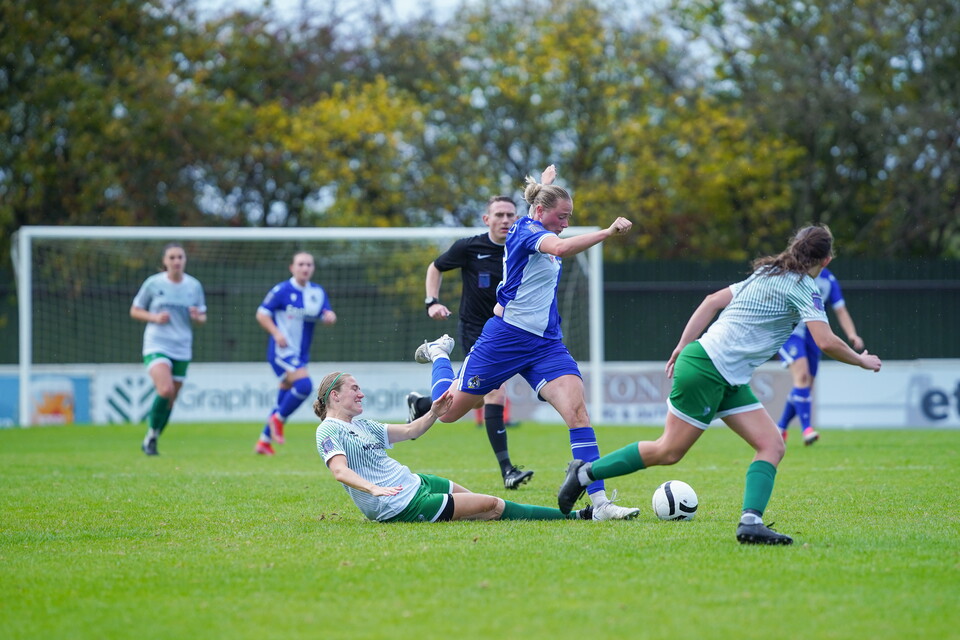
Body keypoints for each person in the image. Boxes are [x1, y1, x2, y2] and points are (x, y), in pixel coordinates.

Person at [557, 224, 882, 544]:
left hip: (724, 373)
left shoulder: (768, 272)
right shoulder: (803, 288)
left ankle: (751, 523)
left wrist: (684, 343)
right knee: (668, 450)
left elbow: (712, 300)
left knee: (771, 445)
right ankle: (584, 473)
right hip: (710, 369)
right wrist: (861, 359)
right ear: (826, 261)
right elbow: (825, 342)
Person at [413, 166, 641, 521]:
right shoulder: (527, 231)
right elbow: (562, 247)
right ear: (540, 213)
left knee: (577, 412)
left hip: (546, 343)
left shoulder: (539, 216)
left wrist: (545, 184)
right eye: (561, 217)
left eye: (569, 217)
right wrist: (609, 231)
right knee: (449, 412)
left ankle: (601, 505)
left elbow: (544, 208)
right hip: (504, 339)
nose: (565, 223)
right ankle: (440, 355)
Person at [315, 372, 595, 522]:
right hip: (401, 504)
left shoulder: (365, 425)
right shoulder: (328, 429)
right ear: (335, 396)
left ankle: (567, 515)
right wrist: (374, 489)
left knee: (480, 504)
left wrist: (434, 412)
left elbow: (413, 430)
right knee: (493, 506)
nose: (361, 393)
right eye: (354, 389)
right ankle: (577, 516)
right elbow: (340, 471)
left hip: (415, 483)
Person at [406, 193, 533, 490]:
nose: (505, 220)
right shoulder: (470, 247)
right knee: (494, 393)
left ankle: (423, 403)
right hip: (477, 331)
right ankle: (507, 470)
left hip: (510, 332)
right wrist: (431, 302)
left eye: (510, 215)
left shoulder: (522, 246)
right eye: (499, 214)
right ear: (486, 219)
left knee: (471, 399)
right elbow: (435, 267)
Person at [254, 251, 337, 455]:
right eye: (301, 264)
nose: (305, 268)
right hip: (281, 351)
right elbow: (262, 314)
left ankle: (264, 441)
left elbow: (327, 313)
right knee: (304, 385)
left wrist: (330, 316)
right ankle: (278, 419)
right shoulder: (282, 290)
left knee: (283, 396)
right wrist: (276, 333)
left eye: (309, 264)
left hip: (300, 354)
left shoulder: (317, 292)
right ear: (292, 267)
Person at [130, 242, 207, 456]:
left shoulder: (193, 286)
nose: (176, 261)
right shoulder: (153, 284)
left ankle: (152, 437)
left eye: (180, 257)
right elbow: (135, 310)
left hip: (182, 346)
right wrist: (154, 317)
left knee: (171, 400)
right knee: (165, 390)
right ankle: (152, 436)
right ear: (165, 261)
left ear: (185, 261)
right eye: (172, 258)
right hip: (157, 343)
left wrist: (196, 317)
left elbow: (202, 316)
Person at [776, 267, 864, 445]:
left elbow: (840, 309)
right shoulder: (792, 274)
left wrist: (852, 334)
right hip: (789, 331)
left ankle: (780, 428)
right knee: (801, 376)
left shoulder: (828, 279)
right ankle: (807, 429)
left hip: (813, 333)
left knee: (806, 386)